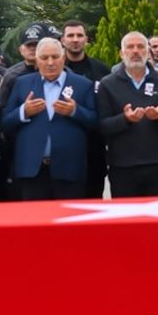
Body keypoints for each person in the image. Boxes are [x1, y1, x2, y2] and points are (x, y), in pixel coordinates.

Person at [3, 38, 97, 200]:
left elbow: (94, 122)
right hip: (32, 170)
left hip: (68, 169)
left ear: (63, 58)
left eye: (55, 57)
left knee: (68, 222)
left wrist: (75, 111)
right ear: (37, 61)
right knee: (34, 222)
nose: (50, 62)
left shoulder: (82, 84)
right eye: (45, 58)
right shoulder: (22, 84)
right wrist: (23, 112)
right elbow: (5, 123)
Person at [97, 32, 158, 197]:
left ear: (148, 53)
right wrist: (125, 119)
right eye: (130, 47)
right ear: (121, 53)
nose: (135, 51)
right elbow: (102, 126)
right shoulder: (108, 84)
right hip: (123, 167)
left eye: (140, 47)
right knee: (127, 220)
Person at [60, 20, 112, 199]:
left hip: (94, 149)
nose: (75, 40)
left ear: (86, 40)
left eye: (79, 35)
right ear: (62, 40)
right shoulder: (54, 71)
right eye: (71, 36)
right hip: (63, 148)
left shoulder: (102, 71)